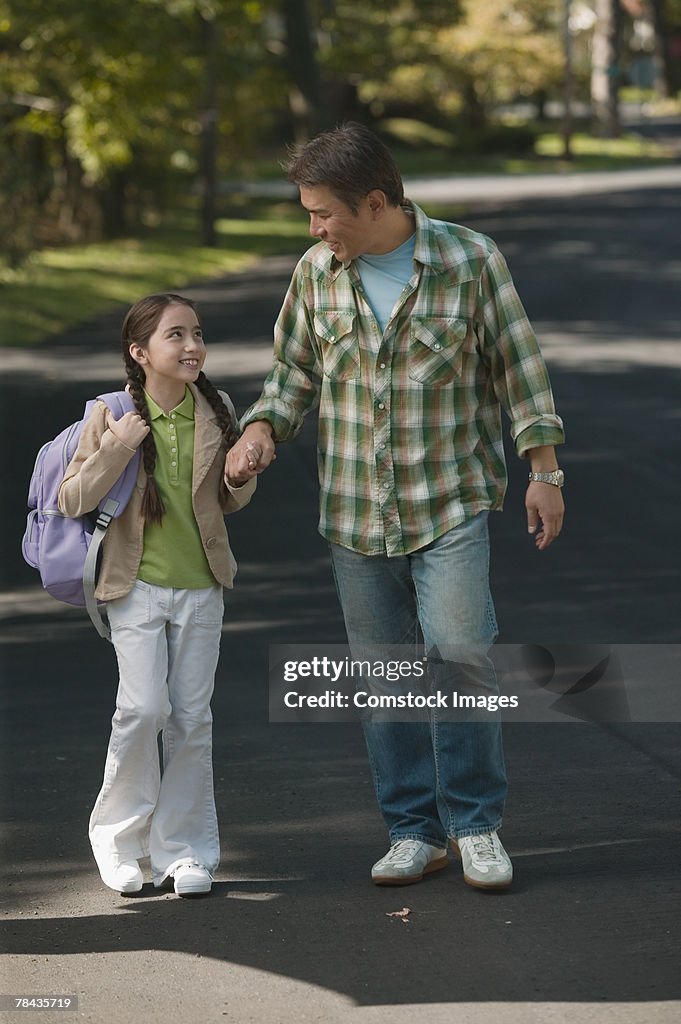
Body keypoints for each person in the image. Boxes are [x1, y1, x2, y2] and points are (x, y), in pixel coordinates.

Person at [229, 122, 565, 891]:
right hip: (353, 510)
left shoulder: (468, 261)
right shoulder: (317, 273)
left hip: (448, 500)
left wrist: (544, 470)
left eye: (323, 213)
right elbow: (291, 375)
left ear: (375, 202)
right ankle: (413, 831)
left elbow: (520, 366)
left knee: (458, 656)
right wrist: (259, 430)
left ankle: (475, 824)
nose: (313, 228)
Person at [58, 293, 259, 897]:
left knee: (192, 720)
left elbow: (225, 503)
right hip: (135, 586)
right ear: (139, 352)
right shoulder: (110, 413)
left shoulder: (217, 408)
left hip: (202, 587)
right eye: (176, 335)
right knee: (144, 711)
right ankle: (121, 845)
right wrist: (118, 442)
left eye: (197, 333)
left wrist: (238, 477)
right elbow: (72, 498)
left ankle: (187, 852)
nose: (192, 346)